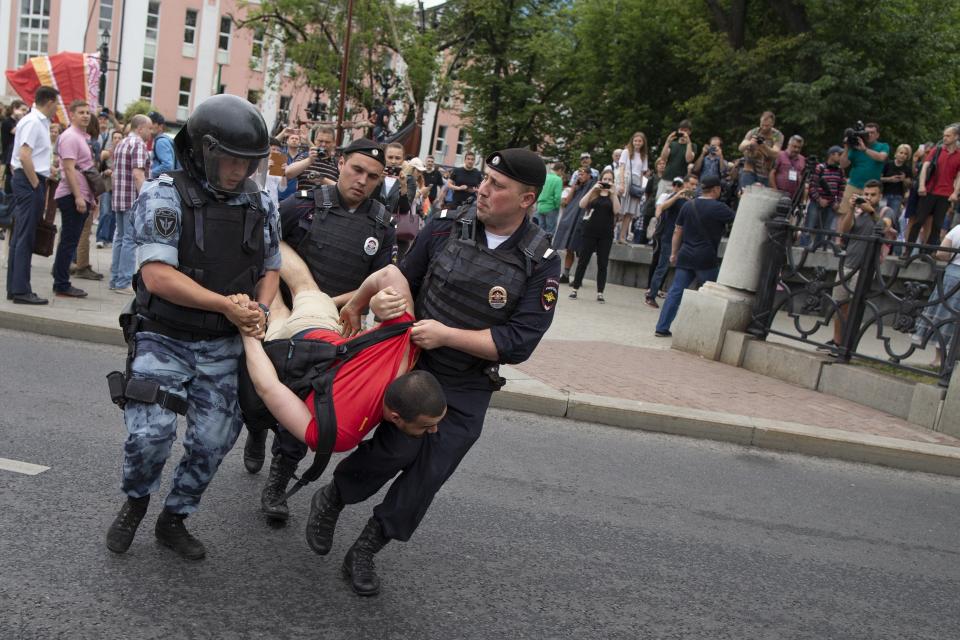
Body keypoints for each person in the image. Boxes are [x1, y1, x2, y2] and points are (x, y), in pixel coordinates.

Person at [303, 148, 560, 597]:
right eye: (486, 179)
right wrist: (383, 302)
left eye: (498, 186)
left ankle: (369, 545)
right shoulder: (445, 225)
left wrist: (447, 335)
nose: (483, 189)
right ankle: (335, 498)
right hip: (416, 361)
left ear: (527, 199)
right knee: (394, 451)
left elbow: (520, 341)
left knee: (431, 471)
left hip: (468, 380)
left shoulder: (541, 260)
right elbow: (406, 277)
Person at [104, 94, 281, 561]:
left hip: (223, 345)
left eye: (250, 163)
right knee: (150, 434)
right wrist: (227, 305)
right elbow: (157, 277)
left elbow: (270, 268)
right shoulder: (164, 194)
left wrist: (259, 312)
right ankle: (136, 501)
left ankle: (174, 518)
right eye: (232, 160)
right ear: (205, 150)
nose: (241, 172)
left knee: (214, 439)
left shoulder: (261, 202)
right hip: (165, 336)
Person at [248, 138, 397, 522]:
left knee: (309, 407)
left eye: (373, 177)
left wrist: (338, 307)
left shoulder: (381, 225)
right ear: (342, 163)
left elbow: (376, 281)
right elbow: (267, 246)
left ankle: (279, 481)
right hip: (283, 320)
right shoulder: (302, 205)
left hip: (330, 331)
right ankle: (256, 431)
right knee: (259, 394)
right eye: (356, 170)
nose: (362, 181)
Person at [242, 249, 445, 454]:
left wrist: (355, 305)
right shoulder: (342, 433)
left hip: (311, 328)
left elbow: (389, 273)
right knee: (276, 311)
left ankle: (271, 239)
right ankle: (267, 266)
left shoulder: (405, 343)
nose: (434, 430)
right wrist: (247, 330)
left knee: (303, 286)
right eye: (427, 426)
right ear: (395, 417)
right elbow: (269, 387)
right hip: (283, 360)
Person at [654, 175, 735, 337]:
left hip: (685, 255)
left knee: (675, 292)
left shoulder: (688, 205)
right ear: (716, 189)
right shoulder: (720, 208)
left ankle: (662, 327)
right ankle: (708, 332)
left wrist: (674, 253)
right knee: (713, 295)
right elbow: (739, 221)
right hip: (706, 258)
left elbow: (678, 231)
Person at [826, 180, 896, 351]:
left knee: (854, 307)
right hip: (847, 263)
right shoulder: (858, 212)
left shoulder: (887, 211)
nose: (868, 198)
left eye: (873, 195)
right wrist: (851, 209)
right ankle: (836, 341)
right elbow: (844, 230)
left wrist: (871, 211)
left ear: (880, 196)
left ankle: (847, 345)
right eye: (866, 194)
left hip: (865, 268)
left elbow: (883, 227)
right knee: (839, 304)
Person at [5, 86, 59, 305]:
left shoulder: (37, 122)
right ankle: (21, 290)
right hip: (29, 180)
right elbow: (24, 155)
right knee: (25, 236)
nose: (57, 107)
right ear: (48, 102)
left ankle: (15, 288)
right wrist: (36, 184)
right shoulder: (33, 122)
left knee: (21, 236)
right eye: (56, 103)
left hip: (28, 178)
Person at [51, 100, 98, 299]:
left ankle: (60, 278)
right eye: (81, 112)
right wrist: (78, 196)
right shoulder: (70, 137)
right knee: (69, 242)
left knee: (69, 241)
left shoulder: (81, 137)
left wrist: (89, 197)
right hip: (71, 195)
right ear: (72, 115)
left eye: (88, 112)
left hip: (80, 195)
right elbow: (69, 169)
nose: (86, 115)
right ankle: (61, 284)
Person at [109, 114, 152, 294]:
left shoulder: (122, 143)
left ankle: (115, 279)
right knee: (130, 240)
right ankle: (123, 282)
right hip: (131, 199)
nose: (151, 132)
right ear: (140, 128)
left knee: (120, 238)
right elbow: (137, 174)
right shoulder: (139, 145)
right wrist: (144, 199)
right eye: (149, 128)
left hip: (119, 197)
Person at [646, 175, 697, 308]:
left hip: (683, 240)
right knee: (662, 267)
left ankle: (667, 296)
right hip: (668, 237)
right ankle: (651, 295)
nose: (694, 187)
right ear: (685, 184)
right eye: (691, 184)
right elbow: (662, 207)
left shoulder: (692, 200)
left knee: (673, 269)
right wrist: (677, 195)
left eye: (695, 185)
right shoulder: (675, 197)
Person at [569, 168, 619, 302]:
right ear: (600, 179)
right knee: (583, 261)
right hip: (590, 231)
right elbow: (581, 204)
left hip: (606, 233)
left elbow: (617, 211)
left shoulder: (613, 195)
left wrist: (613, 193)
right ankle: (575, 289)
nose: (607, 182)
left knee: (602, 263)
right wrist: (593, 189)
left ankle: (600, 292)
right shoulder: (594, 193)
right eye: (605, 179)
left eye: (610, 180)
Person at [908, 124, 960, 246]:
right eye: (944, 135)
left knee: (937, 225)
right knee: (918, 221)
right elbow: (925, 167)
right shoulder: (936, 150)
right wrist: (921, 185)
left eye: (948, 136)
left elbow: (959, 176)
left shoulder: (959, 155)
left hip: (945, 194)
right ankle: (908, 249)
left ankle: (928, 250)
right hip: (930, 190)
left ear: (956, 137)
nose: (945, 138)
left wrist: (955, 192)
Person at [838, 122, 889, 218]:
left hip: (871, 189)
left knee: (870, 215)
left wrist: (864, 149)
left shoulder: (883, 146)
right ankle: (840, 233)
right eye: (866, 132)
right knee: (844, 214)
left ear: (877, 135)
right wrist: (846, 148)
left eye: (872, 133)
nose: (869, 135)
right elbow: (843, 164)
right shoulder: (856, 147)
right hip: (854, 185)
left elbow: (881, 157)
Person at [554, 167, 595, 283]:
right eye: (578, 174)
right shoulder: (577, 187)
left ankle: (578, 278)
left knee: (581, 251)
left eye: (582, 174)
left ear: (589, 175)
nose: (580, 176)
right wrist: (573, 186)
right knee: (570, 248)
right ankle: (566, 275)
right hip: (572, 220)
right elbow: (566, 202)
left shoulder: (592, 185)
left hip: (583, 221)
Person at [803, 146, 846, 248]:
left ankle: (820, 250)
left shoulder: (840, 171)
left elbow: (842, 188)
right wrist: (819, 199)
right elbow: (812, 186)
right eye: (839, 154)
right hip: (816, 203)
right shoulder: (820, 168)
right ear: (831, 155)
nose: (841, 157)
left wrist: (838, 202)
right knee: (809, 227)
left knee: (824, 231)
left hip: (831, 205)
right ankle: (802, 249)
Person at [617, 132, 649, 244]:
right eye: (635, 140)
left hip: (636, 183)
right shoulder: (626, 152)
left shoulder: (644, 155)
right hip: (626, 179)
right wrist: (621, 183)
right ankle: (610, 234)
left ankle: (622, 236)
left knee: (629, 212)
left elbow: (641, 174)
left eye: (640, 141)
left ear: (643, 142)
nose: (637, 143)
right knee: (619, 210)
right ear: (632, 141)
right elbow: (621, 167)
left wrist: (640, 190)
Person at [286, 126, 339, 191]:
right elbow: (288, 173)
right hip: (305, 199)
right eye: (320, 141)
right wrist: (309, 160)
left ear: (333, 143)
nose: (323, 144)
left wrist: (322, 180)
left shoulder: (337, 164)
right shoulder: (305, 157)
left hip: (326, 200)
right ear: (315, 141)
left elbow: (342, 188)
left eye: (327, 142)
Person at [96, 130, 124, 249]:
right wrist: (104, 172)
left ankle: (109, 238)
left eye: (119, 138)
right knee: (105, 212)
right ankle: (101, 238)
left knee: (113, 214)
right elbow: (97, 169)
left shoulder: (124, 153)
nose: (117, 140)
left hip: (118, 188)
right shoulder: (106, 154)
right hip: (106, 185)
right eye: (115, 138)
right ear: (112, 140)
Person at [657, 120, 695, 198]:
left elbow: (688, 159)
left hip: (681, 182)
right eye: (681, 130)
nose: (683, 132)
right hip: (666, 179)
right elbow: (663, 158)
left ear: (689, 132)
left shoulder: (692, 146)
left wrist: (688, 142)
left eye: (685, 130)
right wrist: (667, 142)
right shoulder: (672, 144)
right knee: (659, 203)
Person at [2, 99, 28, 195]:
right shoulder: (7, 122)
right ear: (15, 109)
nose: (25, 112)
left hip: (15, 155)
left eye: (26, 110)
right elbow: (17, 132)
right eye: (23, 109)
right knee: (9, 182)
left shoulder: (19, 122)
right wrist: (22, 118)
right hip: (8, 157)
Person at [769, 135, 807, 199]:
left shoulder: (802, 159)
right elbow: (772, 173)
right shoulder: (779, 155)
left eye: (799, 148)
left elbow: (802, 179)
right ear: (788, 145)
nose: (796, 149)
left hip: (793, 196)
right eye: (794, 146)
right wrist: (775, 191)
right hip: (778, 193)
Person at [880, 143, 913, 217]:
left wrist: (904, 179)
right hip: (884, 194)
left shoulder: (907, 168)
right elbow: (878, 178)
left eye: (905, 154)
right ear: (896, 153)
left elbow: (909, 184)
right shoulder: (888, 164)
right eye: (901, 152)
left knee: (892, 217)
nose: (903, 155)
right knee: (881, 215)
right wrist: (889, 179)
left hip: (897, 196)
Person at [535, 161, 564, 236]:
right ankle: (547, 247)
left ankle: (538, 247)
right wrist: (557, 207)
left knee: (540, 230)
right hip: (551, 207)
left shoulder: (545, 176)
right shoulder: (558, 179)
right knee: (550, 231)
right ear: (560, 170)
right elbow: (557, 196)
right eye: (562, 172)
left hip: (540, 206)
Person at [148, 111, 177, 178]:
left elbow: (167, 166)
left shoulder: (161, 142)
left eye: (152, 123)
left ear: (160, 126)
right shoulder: (165, 139)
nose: (149, 126)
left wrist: (150, 173)